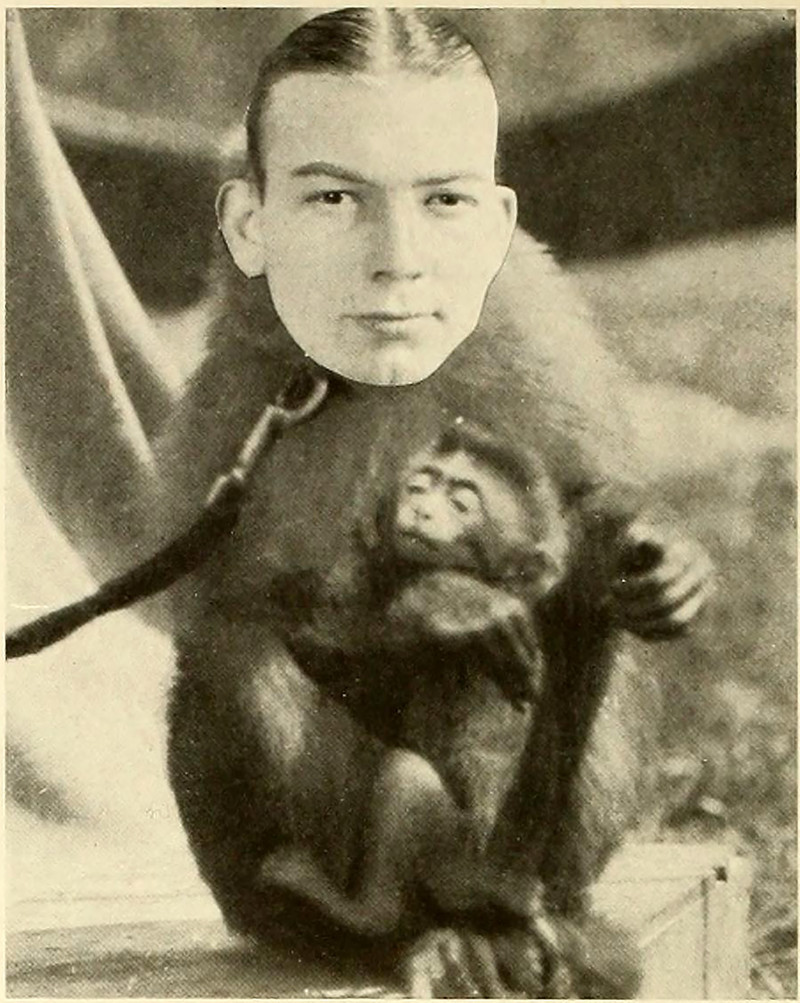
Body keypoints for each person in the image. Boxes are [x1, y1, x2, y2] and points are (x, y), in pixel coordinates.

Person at [8, 8, 714, 996]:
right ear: (248, 226)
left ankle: (517, 898)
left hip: (511, 776)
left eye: (441, 201)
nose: (394, 257)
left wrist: (653, 553)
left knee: (592, 606)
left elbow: (595, 510)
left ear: (493, 221)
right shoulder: (248, 367)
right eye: (333, 198)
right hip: (328, 813)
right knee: (234, 662)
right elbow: (224, 619)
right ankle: (381, 926)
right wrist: (392, 609)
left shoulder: (523, 325)